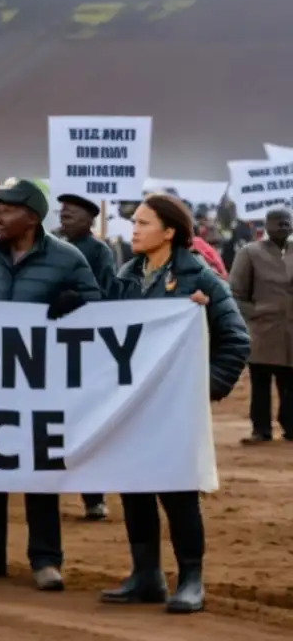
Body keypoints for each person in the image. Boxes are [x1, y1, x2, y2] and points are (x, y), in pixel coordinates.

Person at [0, 179, 102, 591]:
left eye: (6, 209)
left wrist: (78, 304)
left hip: (42, 385)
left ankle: (46, 559)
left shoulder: (68, 258)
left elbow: (99, 308)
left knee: (37, 472)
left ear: (31, 216)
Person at [100, 194, 249, 613]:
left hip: (175, 410)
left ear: (170, 232)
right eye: (134, 222)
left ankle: (190, 580)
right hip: (132, 406)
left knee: (177, 492)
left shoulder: (200, 279)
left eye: (144, 223)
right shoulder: (125, 276)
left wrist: (203, 387)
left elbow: (237, 339)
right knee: (134, 490)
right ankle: (145, 575)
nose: (134, 229)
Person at [56, 192, 117, 521]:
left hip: (86, 347)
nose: (64, 216)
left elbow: (105, 295)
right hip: (51, 344)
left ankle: (94, 496)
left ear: (90, 219)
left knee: (87, 421)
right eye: (62, 211)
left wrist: (77, 300)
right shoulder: (49, 246)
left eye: (72, 213)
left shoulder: (100, 252)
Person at [228, 207, 293, 443]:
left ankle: (291, 426)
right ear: (266, 226)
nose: (283, 227)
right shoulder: (250, 253)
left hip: (291, 331)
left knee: (290, 383)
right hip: (262, 330)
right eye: (278, 223)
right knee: (261, 383)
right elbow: (235, 292)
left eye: (287, 223)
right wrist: (254, 314)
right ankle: (261, 429)